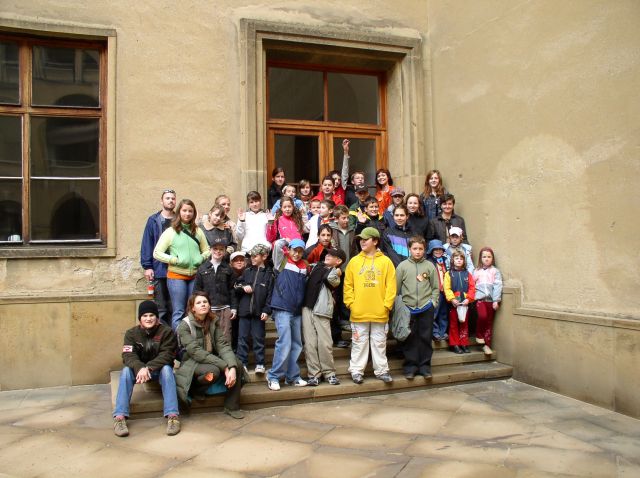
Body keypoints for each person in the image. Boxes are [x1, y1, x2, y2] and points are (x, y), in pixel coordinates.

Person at [113, 300, 180, 437]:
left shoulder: (166, 332)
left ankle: (173, 416)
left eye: (151, 315)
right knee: (125, 372)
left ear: (157, 318)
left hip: (158, 371)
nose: (148, 318)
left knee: (168, 370)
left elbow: (167, 355)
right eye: (144, 316)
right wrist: (140, 368)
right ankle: (120, 417)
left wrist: (148, 368)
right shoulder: (131, 333)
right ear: (140, 319)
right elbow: (128, 355)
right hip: (138, 372)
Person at [175, 292, 244, 419]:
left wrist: (232, 367)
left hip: (211, 357)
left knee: (237, 364)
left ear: (209, 305)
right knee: (213, 371)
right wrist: (225, 366)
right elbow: (196, 352)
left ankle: (231, 406)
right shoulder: (184, 325)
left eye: (205, 302)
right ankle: (196, 390)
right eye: (198, 303)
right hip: (192, 362)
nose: (203, 304)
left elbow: (223, 345)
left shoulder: (213, 321)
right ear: (192, 308)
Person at [344, 227, 396, 384]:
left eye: (366, 239)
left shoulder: (386, 262)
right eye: (361, 239)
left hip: (380, 312)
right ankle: (356, 371)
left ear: (375, 241)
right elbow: (348, 286)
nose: (362, 241)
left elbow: (391, 286)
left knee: (379, 343)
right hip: (359, 312)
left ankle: (382, 371)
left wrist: (387, 305)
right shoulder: (354, 262)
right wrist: (351, 304)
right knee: (359, 343)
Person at [153, 199, 210, 331]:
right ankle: (179, 342)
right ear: (179, 212)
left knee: (192, 311)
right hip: (176, 276)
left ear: (194, 213)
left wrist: (200, 258)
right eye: (184, 210)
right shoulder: (171, 232)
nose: (187, 214)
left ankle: (192, 340)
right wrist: (175, 260)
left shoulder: (198, 231)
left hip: (194, 276)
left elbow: (207, 250)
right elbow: (157, 253)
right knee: (178, 311)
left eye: (190, 211)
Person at [266, 238, 309, 390]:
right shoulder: (281, 261)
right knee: (284, 343)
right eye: (294, 250)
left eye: (300, 251)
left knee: (296, 344)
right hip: (282, 307)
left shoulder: (305, 266)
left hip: (296, 310)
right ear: (289, 250)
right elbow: (277, 245)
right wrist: (286, 240)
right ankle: (273, 376)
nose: (296, 254)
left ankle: (293, 377)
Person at [396, 237, 440, 379]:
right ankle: (411, 367)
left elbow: (435, 287)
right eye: (415, 248)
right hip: (408, 308)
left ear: (424, 250)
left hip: (426, 307)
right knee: (410, 338)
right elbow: (396, 289)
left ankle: (425, 366)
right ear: (409, 249)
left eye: (420, 249)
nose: (418, 251)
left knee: (425, 337)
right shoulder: (402, 266)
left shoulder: (429, 266)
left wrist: (433, 302)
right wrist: (400, 306)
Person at [302, 248, 345, 386]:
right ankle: (314, 374)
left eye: (332, 255)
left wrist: (335, 270)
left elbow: (330, 280)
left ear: (338, 261)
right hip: (307, 307)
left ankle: (329, 373)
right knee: (310, 343)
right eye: (328, 254)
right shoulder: (316, 266)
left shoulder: (336, 274)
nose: (328, 255)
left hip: (322, 309)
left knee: (324, 343)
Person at [234, 244, 274, 375]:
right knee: (242, 339)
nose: (252, 258)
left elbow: (270, 295)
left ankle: (260, 363)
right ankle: (243, 363)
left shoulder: (269, 274)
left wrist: (266, 310)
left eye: (255, 256)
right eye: (251, 256)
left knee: (259, 339)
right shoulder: (247, 271)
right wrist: (243, 287)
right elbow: (236, 285)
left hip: (259, 313)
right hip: (244, 312)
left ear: (264, 256)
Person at [140, 188, 176, 326]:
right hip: (159, 269)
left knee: (176, 307)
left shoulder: (179, 219)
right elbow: (147, 243)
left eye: (173, 198)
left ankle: (176, 337)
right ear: (162, 201)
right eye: (167, 198)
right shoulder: (154, 220)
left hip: (177, 270)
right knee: (161, 308)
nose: (170, 200)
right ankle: (164, 337)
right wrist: (148, 266)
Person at [194, 237, 238, 345]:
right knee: (208, 338)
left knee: (226, 337)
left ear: (225, 251)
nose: (218, 251)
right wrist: (196, 308)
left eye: (221, 249)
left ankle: (226, 356)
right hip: (208, 309)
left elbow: (232, 290)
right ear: (210, 250)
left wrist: (234, 308)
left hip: (225, 309)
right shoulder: (202, 268)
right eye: (215, 249)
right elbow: (197, 291)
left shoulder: (228, 269)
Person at [329, 205, 357, 348]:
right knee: (337, 295)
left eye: (347, 218)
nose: (346, 220)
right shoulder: (331, 230)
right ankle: (339, 320)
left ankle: (346, 319)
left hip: (349, 268)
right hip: (337, 269)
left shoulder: (352, 231)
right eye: (344, 218)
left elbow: (354, 249)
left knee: (347, 294)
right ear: (337, 219)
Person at [444, 250, 476, 354]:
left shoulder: (467, 274)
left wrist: (468, 299)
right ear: (452, 260)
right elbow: (447, 288)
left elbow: (472, 288)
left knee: (464, 323)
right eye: (457, 258)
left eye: (461, 259)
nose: (459, 260)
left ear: (464, 261)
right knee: (453, 324)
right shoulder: (449, 274)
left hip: (465, 304)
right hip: (454, 304)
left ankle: (464, 343)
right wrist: (452, 299)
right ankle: (455, 344)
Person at [473, 247, 503, 355]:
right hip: (480, 300)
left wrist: (496, 300)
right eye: (484, 257)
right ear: (480, 258)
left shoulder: (495, 271)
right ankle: (479, 335)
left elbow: (498, 286)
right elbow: (471, 285)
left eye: (489, 257)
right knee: (483, 317)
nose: (486, 259)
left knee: (489, 323)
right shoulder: (476, 271)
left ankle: (487, 345)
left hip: (490, 301)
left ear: (492, 258)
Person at [427, 239, 450, 342]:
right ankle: (435, 332)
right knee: (434, 312)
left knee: (443, 312)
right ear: (431, 251)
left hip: (445, 290)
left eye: (440, 249)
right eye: (435, 249)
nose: (438, 251)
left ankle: (442, 332)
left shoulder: (446, 260)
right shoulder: (428, 262)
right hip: (434, 291)